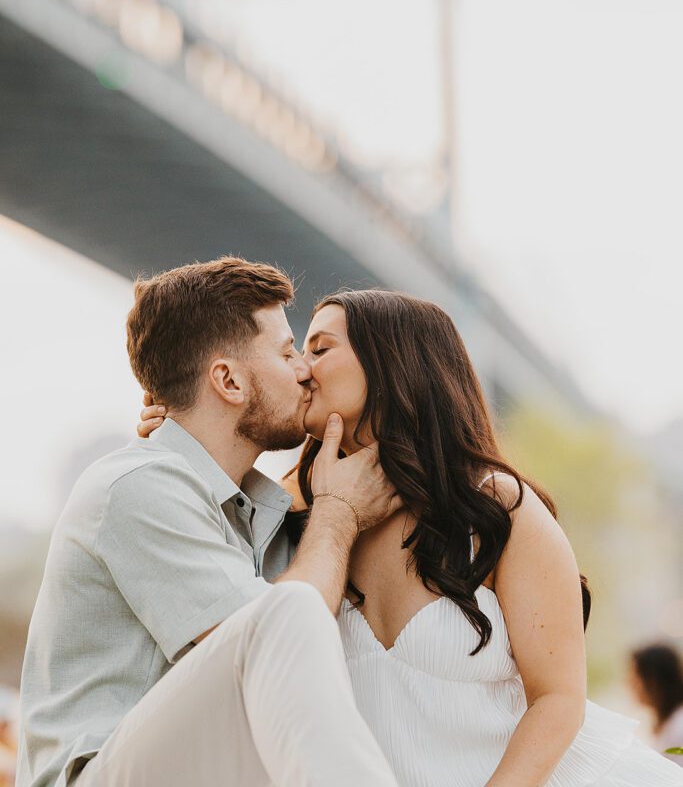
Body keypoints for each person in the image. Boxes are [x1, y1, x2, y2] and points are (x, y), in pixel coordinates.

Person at [145, 288, 683, 786]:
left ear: (390, 362)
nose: (301, 369)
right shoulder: (291, 515)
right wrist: (184, 429)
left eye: (320, 348)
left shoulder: (495, 507)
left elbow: (560, 700)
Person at [17, 258, 401, 787]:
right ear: (227, 380)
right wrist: (338, 512)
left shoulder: (258, 512)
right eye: (287, 351)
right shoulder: (139, 486)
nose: (304, 369)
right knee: (285, 611)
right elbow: (269, 643)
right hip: (97, 775)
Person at [629, 645, 683, 767]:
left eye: (634, 677)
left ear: (652, 680)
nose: (629, 683)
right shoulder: (667, 722)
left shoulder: (679, 726)